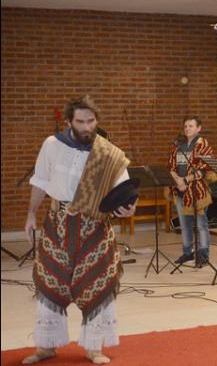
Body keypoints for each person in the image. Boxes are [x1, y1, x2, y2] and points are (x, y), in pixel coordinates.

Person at [23, 95, 137, 364]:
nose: (87, 127)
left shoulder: (108, 152)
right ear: (69, 122)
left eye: (91, 120)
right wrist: (30, 214)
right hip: (57, 225)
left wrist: (129, 208)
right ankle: (46, 345)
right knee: (50, 282)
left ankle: (94, 346)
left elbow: (125, 191)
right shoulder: (51, 145)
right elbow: (40, 181)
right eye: (81, 122)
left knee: (98, 284)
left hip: (94, 227)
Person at [167, 116, 214, 268]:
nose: (187, 128)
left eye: (191, 126)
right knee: (184, 224)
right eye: (186, 126)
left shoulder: (203, 144)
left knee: (201, 225)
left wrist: (186, 180)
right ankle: (188, 252)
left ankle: (203, 255)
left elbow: (204, 169)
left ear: (199, 128)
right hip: (180, 190)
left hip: (197, 191)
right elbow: (171, 166)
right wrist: (178, 181)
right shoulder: (178, 145)